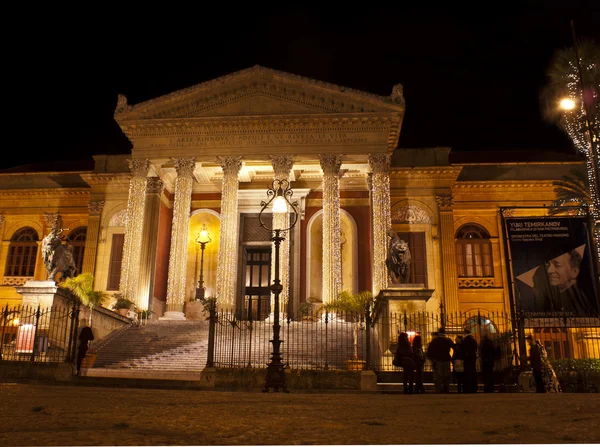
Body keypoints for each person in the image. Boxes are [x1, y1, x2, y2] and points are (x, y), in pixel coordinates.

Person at [426, 328, 455, 393]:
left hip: (437, 360)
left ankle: (438, 390)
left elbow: (429, 352)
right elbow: (455, 348)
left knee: (438, 377)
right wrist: (452, 358)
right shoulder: (448, 340)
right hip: (446, 360)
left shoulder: (435, 341)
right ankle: (446, 389)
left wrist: (432, 359)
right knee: (446, 376)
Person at [462, 328, 478, 393]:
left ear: (465, 333)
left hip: (467, 359)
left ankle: (468, 388)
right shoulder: (473, 339)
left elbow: (464, 349)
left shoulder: (466, 340)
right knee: (473, 373)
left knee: (468, 373)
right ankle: (474, 388)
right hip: (472, 358)